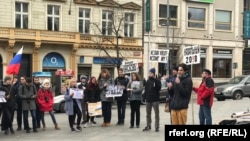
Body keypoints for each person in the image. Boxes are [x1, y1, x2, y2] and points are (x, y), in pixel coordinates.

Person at [142, 68, 161, 132]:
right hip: (148, 100)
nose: (149, 74)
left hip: (155, 99)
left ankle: (157, 126)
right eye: (149, 73)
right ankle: (148, 125)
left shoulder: (157, 80)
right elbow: (146, 90)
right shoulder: (148, 81)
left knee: (156, 114)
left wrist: (155, 79)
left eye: (151, 73)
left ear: (153, 73)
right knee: (148, 114)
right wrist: (144, 97)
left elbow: (159, 88)